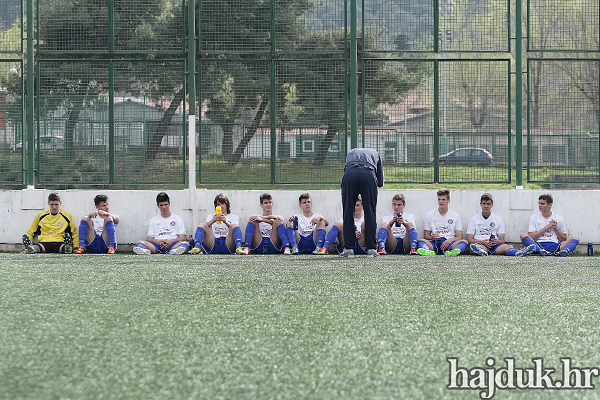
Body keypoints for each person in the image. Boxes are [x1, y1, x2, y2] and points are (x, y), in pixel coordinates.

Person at [340, 148, 383, 257]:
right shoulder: (376, 154)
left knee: (348, 211)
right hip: (368, 174)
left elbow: (346, 170)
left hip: (350, 175)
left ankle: (348, 249)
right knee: (370, 212)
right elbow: (380, 181)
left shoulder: (350, 152)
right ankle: (372, 249)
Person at [467, 193, 536, 257]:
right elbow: (469, 239)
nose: (486, 206)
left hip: (494, 245)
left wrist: (497, 241)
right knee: (478, 247)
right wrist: (481, 241)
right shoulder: (474, 219)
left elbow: (502, 240)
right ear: (480, 204)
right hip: (481, 243)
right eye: (484, 203)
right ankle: (481, 251)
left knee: (509, 247)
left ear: (492, 205)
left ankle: (518, 252)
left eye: (488, 204)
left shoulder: (498, 219)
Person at [416, 188, 468, 256]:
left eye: (443, 199)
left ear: (448, 200)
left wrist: (450, 240)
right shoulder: (430, 214)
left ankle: (453, 252)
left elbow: (460, 236)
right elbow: (426, 235)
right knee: (420, 241)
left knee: (464, 242)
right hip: (435, 243)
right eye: (439, 199)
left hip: (449, 243)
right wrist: (431, 237)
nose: (441, 201)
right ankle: (427, 251)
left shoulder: (455, 215)